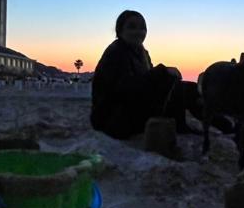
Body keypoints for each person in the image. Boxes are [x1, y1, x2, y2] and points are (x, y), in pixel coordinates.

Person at [90, 10, 231, 140]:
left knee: (187, 88)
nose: (138, 31)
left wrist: (164, 77)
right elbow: (124, 89)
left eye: (142, 27)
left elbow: (147, 85)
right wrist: (162, 72)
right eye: (132, 27)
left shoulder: (141, 53)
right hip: (113, 120)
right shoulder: (116, 53)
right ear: (120, 30)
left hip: (132, 110)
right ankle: (185, 127)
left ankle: (225, 126)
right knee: (175, 85)